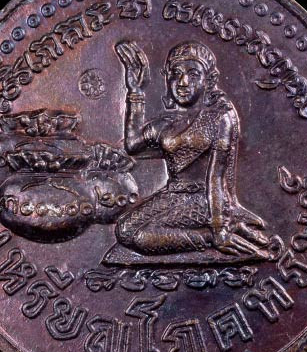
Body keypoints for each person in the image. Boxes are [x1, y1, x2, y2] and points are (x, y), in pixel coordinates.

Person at [113, 40, 271, 259]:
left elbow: (216, 177)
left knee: (140, 237)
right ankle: (216, 233)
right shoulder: (166, 123)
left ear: (209, 80)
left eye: (193, 74)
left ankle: (209, 238)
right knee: (123, 230)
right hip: (172, 195)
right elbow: (132, 145)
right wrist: (136, 90)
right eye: (176, 74)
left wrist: (219, 227)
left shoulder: (219, 118)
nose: (183, 82)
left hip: (204, 200)